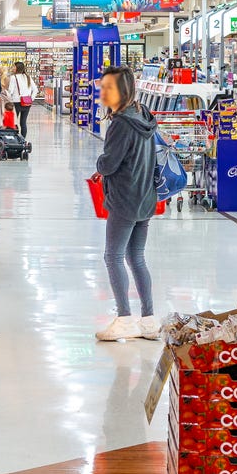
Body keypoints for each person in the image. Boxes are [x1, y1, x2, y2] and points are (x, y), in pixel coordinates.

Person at [93, 66, 158, 342]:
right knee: (137, 257)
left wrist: (99, 163)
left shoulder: (121, 123)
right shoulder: (143, 114)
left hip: (125, 197)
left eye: (108, 87)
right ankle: (149, 320)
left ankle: (124, 319)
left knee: (114, 256)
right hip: (145, 195)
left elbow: (109, 164)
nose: (103, 92)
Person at [8, 60, 37, 137]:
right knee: (23, 122)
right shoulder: (28, 77)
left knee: (13, 122)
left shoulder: (13, 77)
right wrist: (31, 99)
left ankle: (14, 138)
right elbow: (35, 89)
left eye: (14, 66)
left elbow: (10, 91)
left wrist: (8, 99)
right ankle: (23, 139)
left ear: (17, 68)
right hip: (27, 102)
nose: (13, 68)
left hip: (16, 102)